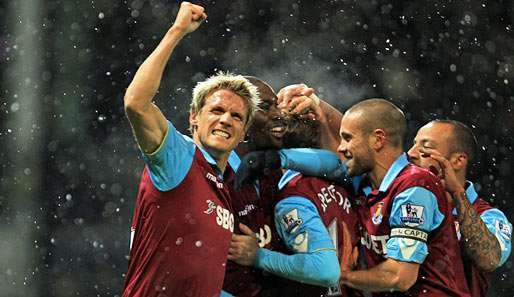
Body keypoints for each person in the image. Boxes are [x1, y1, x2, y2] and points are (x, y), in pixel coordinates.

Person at [122, 2, 260, 296]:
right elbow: (136, 103)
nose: (226, 119)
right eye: (217, 110)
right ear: (193, 117)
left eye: (236, 116)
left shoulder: (227, 188)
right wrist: (177, 30)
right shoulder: (180, 156)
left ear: (243, 133)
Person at [335, 99, 470, 296]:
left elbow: (399, 277)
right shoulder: (364, 187)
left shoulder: (415, 185)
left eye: (347, 138)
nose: (340, 147)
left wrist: (339, 276)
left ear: (378, 139)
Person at [229, 114, 361, 297]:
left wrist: (259, 257)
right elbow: (334, 161)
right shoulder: (340, 182)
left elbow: (327, 271)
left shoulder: (292, 199)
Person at [407, 120, 512, 297]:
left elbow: (490, 259)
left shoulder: (489, 216)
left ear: (458, 160)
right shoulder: (401, 200)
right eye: (413, 144)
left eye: (425, 147)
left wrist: (457, 193)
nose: (411, 153)